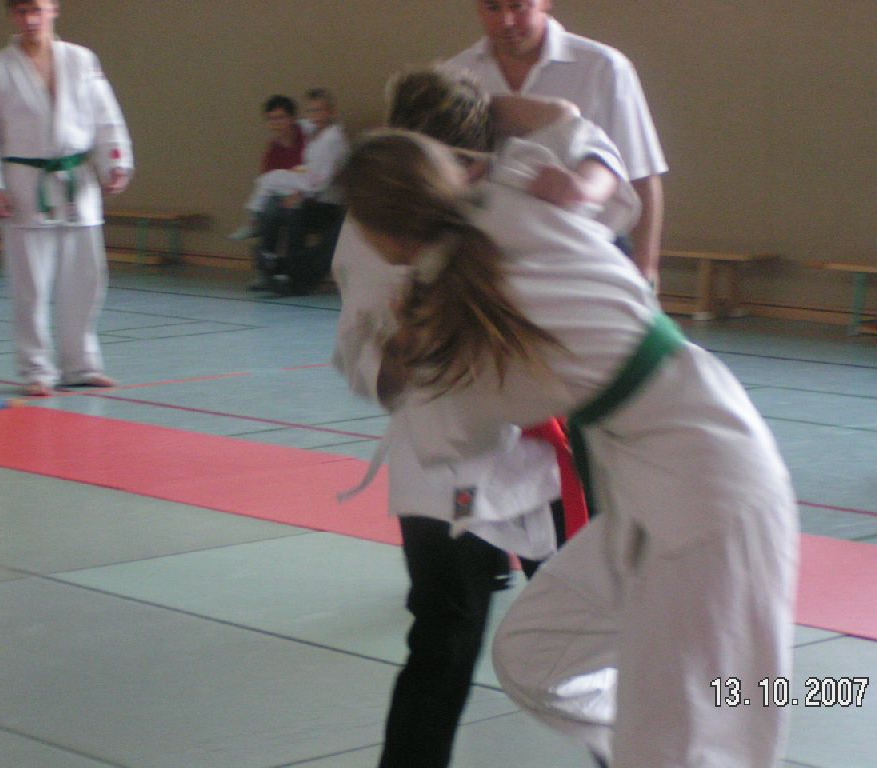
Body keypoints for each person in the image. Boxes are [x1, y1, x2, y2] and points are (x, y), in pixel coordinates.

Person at [338, 130, 798, 768]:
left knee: (708, 721)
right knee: (536, 654)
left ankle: (667, 721)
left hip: (704, 496)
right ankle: (657, 713)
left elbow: (454, 444)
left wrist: (400, 351)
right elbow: (581, 134)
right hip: (674, 465)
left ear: (378, 236)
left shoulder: (448, 328)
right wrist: (578, 177)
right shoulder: (518, 196)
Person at [332, 68, 637, 768]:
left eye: (465, 162)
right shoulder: (372, 226)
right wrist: (400, 354)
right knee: (444, 635)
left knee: (591, 632)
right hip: (444, 463)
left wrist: (540, 117)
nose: (457, 178)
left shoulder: (517, 186)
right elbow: (359, 353)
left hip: (546, 453)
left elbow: (597, 158)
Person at [0, 0, 133, 397]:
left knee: (86, 281)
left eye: (38, 10)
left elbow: (106, 117)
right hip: (24, 186)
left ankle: (81, 365)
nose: (30, 19)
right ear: (12, 15)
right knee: (31, 287)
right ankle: (36, 370)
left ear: (54, 9)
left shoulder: (81, 60)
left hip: (77, 182)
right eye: (21, 11)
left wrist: (115, 163)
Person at [448, 0, 667, 284]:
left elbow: (641, 174)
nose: (506, 21)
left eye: (518, 6)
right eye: (493, 8)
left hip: (588, 250)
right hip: (489, 258)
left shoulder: (603, 67)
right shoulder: (455, 76)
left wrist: (646, 268)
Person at [232, 88, 349, 293]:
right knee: (273, 201)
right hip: (308, 191)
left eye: (320, 110)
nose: (315, 116)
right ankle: (269, 265)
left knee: (292, 209)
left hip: (325, 204)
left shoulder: (332, 140)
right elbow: (297, 125)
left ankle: (292, 274)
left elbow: (323, 180)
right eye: (311, 111)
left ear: (331, 112)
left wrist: (301, 194)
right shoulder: (312, 132)